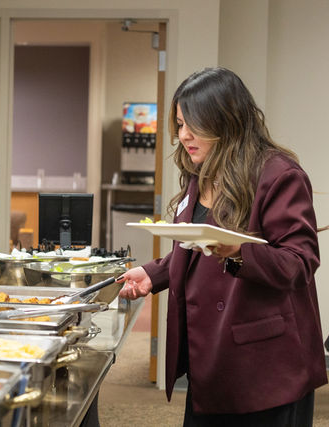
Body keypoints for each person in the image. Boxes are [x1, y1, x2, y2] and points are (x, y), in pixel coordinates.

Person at [117, 67, 327, 426]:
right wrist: (154, 274)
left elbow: (300, 262)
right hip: (211, 358)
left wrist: (238, 251)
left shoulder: (279, 175)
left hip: (264, 366)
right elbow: (198, 246)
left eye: (193, 124)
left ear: (226, 120)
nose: (184, 135)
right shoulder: (201, 172)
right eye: (180, 125)